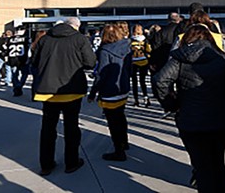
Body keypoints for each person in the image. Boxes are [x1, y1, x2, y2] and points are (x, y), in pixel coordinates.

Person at [153, 24, 225, 193]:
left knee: (202, 165)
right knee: (217, 162)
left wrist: (172, 104)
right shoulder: (222, 58)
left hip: (191, 118)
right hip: (220, 119)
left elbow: (160, 81)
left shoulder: (180, 58)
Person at [32, 17, 96, 175]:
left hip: (48, 90)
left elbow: (34, 61)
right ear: (76, 26)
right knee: (71, 127)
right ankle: (71, 162)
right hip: (71, 89)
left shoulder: (45, 39)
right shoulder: (80, 39)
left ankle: (46, 164)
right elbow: (90, 62)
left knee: (47, 129)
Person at [88, 24, 132, 161]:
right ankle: (124, 143)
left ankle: (119, 150)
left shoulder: (104, 51)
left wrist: (93, 92)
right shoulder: (126, 47)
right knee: (121, 117)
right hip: (123, 87)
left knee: (113, 122)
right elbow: (129, 67)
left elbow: (101, 74)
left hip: (109, 91)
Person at [130, 24, 151, 107]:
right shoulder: (145, 40)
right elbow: (149, 50)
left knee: (134, 82)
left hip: (133, 62)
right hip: (143, 61)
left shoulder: (131, 40)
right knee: (143, 81)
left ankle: (136, 100)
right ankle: (146, 98)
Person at [7, 27, 30, 97]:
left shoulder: (10, 39)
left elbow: (7, 49)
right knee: (24, 73)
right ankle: (19, 86)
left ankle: (16, 87)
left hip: (12, 58)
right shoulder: (26, 39)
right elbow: (29, 49)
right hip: (22, 59)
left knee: (14, 75)